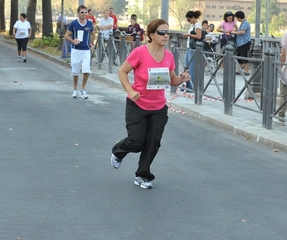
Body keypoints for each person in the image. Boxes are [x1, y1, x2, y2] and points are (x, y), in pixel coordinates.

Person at [111, 18, 191, 189]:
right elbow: (122, 71)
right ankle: (118, 151)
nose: (166, 35)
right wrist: (130, 91)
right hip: (137, 104)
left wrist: (181, 79)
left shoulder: (168, 56)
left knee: (153, 142)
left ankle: (142, 175)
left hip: (159, 107)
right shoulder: (140, 53)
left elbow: (172, 80)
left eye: (168, 32)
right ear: (152, 34)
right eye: (162, 32)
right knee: (136, 141)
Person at [64, 5, 95, 99]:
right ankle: (74, 89)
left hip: (86, 50)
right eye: (82, 12)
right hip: (76, 50)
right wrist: (73, 41)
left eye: (85, 12)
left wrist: (91, 43)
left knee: (86, 70)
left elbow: (93, 33)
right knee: (75, 71)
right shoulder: (74, 23)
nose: (84, 14)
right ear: (78, 13)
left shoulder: (89, 23)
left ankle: (83, 88)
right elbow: (66, 35)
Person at [182, 10, 202, 91]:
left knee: (191, 67)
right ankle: (187, 85)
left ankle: (192, 86)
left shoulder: (197, 25)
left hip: (193, 48)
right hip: (189, 47)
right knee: (186, 66)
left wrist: (188, 35)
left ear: (193, 18)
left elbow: (199, 36)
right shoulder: (193, 25)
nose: (189, 21)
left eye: (189, 20)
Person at [232, 11, 251, 75]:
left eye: (237, 18)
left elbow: (243, 32)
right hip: (240, 43)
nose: (237, 19)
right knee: (239, 56)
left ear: (239, 18)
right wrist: (235, 31)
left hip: (244, 42)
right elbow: (240, 30)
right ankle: (239, 70)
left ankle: (246, 71)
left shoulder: (245, 23)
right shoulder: (243, 23)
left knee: (244, 56)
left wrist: (235, 32)